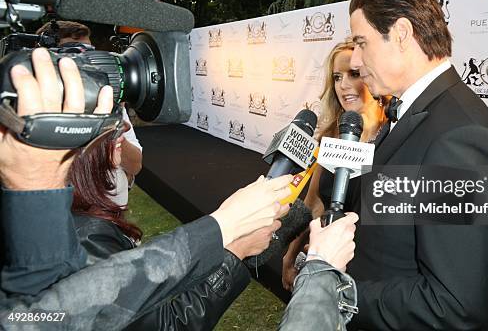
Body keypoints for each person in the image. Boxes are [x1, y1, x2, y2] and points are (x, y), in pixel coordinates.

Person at [0, 48, 361, 330]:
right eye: (113, 133)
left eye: (356, 72)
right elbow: (69, 314)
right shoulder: (86, 233)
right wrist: (232, 239)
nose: (123, 140)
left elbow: (48, 310)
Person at [341, 0, 488, 330]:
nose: (355, 61)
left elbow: (453, 305)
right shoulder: (416, 111)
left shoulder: (461, 137)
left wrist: (340, 292)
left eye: (361, 43)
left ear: (402, 33)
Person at [68, 127, 280, 330]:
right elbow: (166, 324)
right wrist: (236, 250)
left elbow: (140, 288)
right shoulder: (87, 238)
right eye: (105, 119)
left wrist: (222, 228)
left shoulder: (77, 217)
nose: (122, 129)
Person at [282, 40, 388, 290]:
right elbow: (314, 203)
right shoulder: (333, 136)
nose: (343, 86)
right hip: (327, 258)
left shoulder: (393, 135)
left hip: (372, 269)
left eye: (353, 74)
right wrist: (290, 255)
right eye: (337, 77)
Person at [36, 20, 143, 208]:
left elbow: (135, 165)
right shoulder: (32, 112)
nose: (88, 63)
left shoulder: (108, 98)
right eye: (76, 53)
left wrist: (112, 132)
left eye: (90, 52)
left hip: (113, 217)